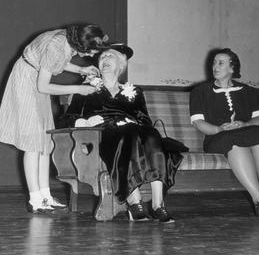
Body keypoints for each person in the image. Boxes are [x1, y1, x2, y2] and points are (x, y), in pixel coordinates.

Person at [0, 23, 108, 213]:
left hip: (35, 76)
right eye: (90, 53)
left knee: (45, 141)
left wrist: (82, 70)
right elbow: (43, 87)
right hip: (27, 80)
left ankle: (45, 195)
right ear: (81, 45)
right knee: (32, 142)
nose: (91, 56)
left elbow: (56, 62)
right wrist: (80, 89)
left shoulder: (70, 37)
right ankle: (35, 199)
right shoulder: (57, 43)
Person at [60, 44, 182, 223]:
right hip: (103, 136)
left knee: (150, 133)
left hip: (133, 134)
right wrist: (82, 122)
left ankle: (158, 205)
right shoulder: (86, 89)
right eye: (102, 57)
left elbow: (145, 120)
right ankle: (135, 202)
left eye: (110, 56)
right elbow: (66, 119)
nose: (105, 59)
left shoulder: (134, 92)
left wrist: (132, 122)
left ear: (121, 65)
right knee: (130, 133)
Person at [189, 48, 259, 217]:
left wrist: (245, 124)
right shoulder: (200, 92)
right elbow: (198, 122)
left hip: (247, 131)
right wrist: (218, 128)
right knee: (233, 141)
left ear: (232, 68)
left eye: (220, 63)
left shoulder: (248, 91)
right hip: (217, 137)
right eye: (214, 63)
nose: (215, 66)